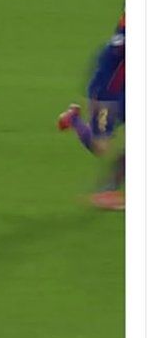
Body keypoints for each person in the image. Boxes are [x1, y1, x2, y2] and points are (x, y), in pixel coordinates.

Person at [58, 14, 125, 210]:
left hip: (125, 89)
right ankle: (74, 119)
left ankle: (108, 190)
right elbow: (110, 56)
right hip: (106, 94)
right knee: (100, 147)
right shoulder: (120, 44)